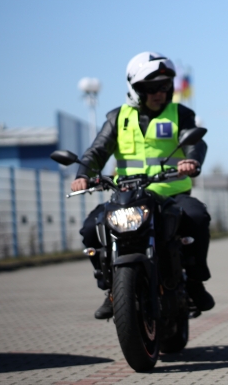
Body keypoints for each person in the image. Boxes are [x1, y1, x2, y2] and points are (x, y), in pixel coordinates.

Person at [73, 51, 214, 319]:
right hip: (127, 196)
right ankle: (111, 290)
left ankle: (195, 282)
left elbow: (195, 141)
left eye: (164, 86)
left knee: (197, 216)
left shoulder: (180, 113)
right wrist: (83, 174)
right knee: (91, 228)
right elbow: (97, 151)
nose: (159, 93)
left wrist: (192, 161)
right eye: (151, 88)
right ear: (135, 89)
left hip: (171, 194)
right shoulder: (117, 117)